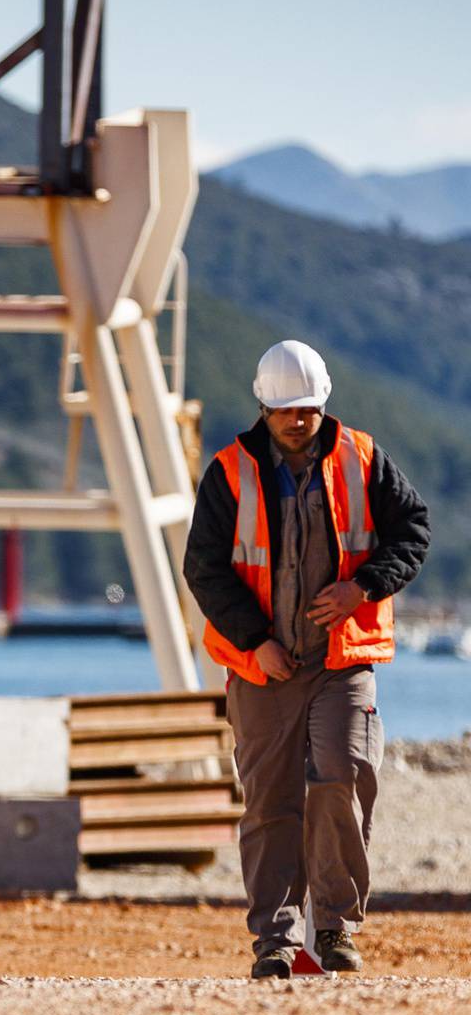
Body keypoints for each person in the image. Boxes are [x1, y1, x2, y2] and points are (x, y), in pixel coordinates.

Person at [183, 340, 428, 979]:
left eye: (309, 409)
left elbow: (413, 530)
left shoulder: (365, 458)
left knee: (341, 778)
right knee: (270, 802)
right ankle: (276, 940)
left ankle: (336, 929)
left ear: (323, 404)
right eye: (286, 409)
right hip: (262, 665)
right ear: (264, 406)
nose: (298, 420)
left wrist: (363, 587)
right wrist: (253, 639)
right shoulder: (229, 471)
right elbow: (203, 568)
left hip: (342, 661)